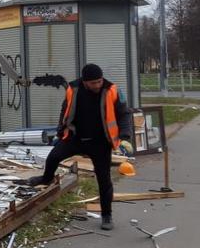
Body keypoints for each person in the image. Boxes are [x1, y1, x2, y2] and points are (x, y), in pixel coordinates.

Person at [27, 63, 132, 230]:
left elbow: (124, 113)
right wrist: (61, 130)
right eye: (93, 83)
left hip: (100, 142)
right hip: (76, 138)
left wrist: (125, 134)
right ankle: (46, 178)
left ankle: (106, 215)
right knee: (54, 156)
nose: (97, 85)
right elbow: (65, 110)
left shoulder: (112, 89)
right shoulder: (73, 89)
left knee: (104, 179)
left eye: (99, 81)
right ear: (84, 81)